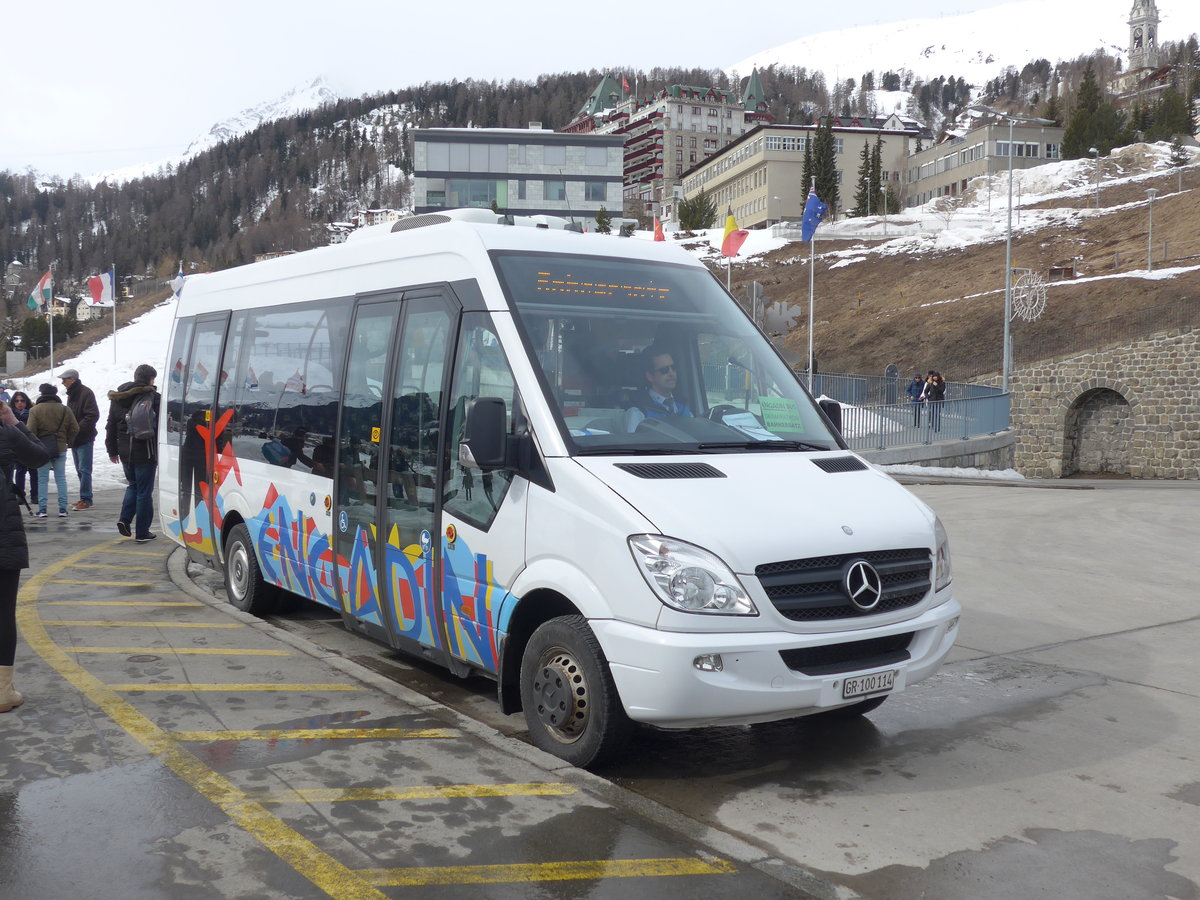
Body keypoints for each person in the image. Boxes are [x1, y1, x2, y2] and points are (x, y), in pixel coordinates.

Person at [0, 398, 51, 712]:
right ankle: (2, 691)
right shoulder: (5, 433)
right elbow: (39, 456)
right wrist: (13, 422)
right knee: (3, 613)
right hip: (3, 532)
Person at [105, 364, 161, 542]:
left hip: (125, 452)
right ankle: (142, 532)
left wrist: (112, 450)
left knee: (133, 486)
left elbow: (110, 426)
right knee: (144, 492)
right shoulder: (154, 398)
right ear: (150, 379)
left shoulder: (118, 398)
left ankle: (124, 519)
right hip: (146, 451)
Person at [27, 383, 79, 518]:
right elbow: (75, 428)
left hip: (42, 449)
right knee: (60, 479)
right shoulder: (65, 409)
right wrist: (66, 439)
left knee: (42, 480)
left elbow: (30, 431)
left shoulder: (35, 410)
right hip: (60, 447)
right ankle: (62, 509)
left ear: (42, 393)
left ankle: (43, 509)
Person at [624, 345, 694, 431]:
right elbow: (634, 444)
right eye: (664, 370)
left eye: (673, 368)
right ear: (650, 376)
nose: (671, 373)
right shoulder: (638, 413)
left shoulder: (685, 410)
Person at [61, 368, 100, 510]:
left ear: (73, 379)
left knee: (84, 470)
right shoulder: (72, 394)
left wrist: (76, 429)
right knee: (79, 469)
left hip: (84, 438)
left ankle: (86, 499)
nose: (62, 382)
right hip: (75, 438)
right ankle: (84, 498)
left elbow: (92, 415)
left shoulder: (86, 393)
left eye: (65, 379)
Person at [8, 391, 38, 511]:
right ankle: (20, 495)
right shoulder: (10, 415)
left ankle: (35, 495)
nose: (19, 403)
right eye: (17, 401)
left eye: (22, 400)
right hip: (17, 447)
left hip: (31, 446)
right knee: (20, 471)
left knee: (33, 471)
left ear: (27, 402)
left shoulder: (32, 413)